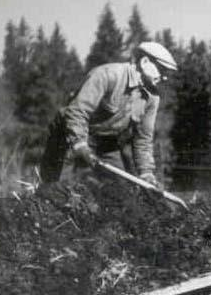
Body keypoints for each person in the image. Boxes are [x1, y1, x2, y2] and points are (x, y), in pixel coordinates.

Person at [39, 41, 178, 186]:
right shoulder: (107, 75)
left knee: (121, 191)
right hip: (69, 132)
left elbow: (143, 139)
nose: (165, 77)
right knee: (55, 187)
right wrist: (79, 143)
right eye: (162, 70)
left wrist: (146, 173)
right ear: (145, 62)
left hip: (106, 141)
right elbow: (77, 111)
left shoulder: (152, 97)